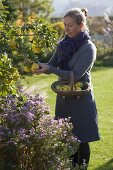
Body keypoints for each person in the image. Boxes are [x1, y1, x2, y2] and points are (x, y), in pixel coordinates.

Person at [34, 8, 100, 169]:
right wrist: (42, 66)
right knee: (65, 142)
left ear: (81, 25)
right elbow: (52, 64)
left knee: (82, 141)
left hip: (81, 100)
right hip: (63, 99)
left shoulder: (88, 48)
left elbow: (75, 75)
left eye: (70, 25)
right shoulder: (63, 44)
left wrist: (51, 69)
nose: (66, 29)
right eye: (65, 25)